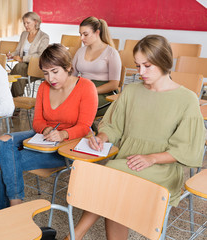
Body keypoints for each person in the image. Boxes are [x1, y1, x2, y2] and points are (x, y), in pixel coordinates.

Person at [67, 35, 205, 240]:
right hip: (128, 160)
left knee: (112, 175)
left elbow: (188, 149)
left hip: (162, 168)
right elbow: (113, 126)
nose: (140, 72)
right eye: (138, 66)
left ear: (164, 62)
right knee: (116, 187)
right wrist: (103, 137)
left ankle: (75, 235)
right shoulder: (131, 91)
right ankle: (75, 235)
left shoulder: (186, 99)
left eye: (147, 66)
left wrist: (152, 158)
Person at [0, 43, 98, 210]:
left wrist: (63, 134)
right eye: (46, 73)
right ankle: (14, 209)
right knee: (3, 140)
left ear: (68, 67)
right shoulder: (43, 87)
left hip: (69, 145)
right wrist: (47, 129)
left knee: (6, 162)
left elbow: (84, 127)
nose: (50, 79)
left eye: (55, 72)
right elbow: (37, 122)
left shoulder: (86, 87)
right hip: (45, 138)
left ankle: (10, 211)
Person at [72, 16, 121, 116]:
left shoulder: (111, 53)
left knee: (77, 106)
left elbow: (114, 84)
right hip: (83, 89)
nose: (81, 38)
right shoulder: (80, 51)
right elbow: (72, 76)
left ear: (97, 32)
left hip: (103, 93)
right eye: (80, 34)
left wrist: (90, 90)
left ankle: (80, 129)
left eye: (85, 34)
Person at [8, 11, 50, 97]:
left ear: (36, 22)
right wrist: (11, 55)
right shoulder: (24, 34)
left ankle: (12, 99)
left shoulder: (44, 37)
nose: (25, 25)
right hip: (23, 66)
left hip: (36, 65)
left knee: (18, 69)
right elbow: (18, 50)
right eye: (24, 23)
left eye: (28, 23)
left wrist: (23, 59)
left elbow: (41, 55)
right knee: (20, 71)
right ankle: (17, 100)